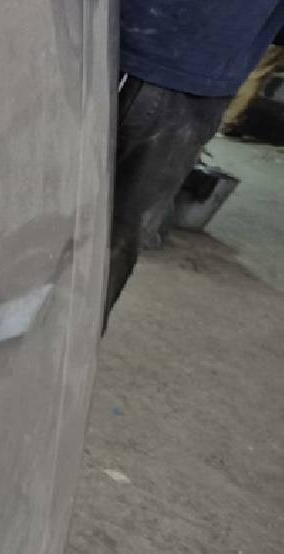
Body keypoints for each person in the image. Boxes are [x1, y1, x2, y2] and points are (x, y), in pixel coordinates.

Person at [108, 1, 284, 318]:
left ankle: (40, 343)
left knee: (101, 237)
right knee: (111, 238)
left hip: (168, 57)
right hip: (171, 59)